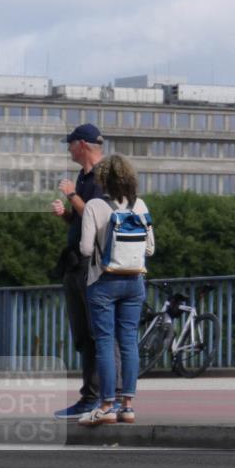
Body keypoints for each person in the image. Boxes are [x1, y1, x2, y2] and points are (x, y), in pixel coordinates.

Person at [77, 155, 155, 426]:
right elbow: (150, 248)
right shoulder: (140, 205)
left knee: (106, 343)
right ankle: (128, 406)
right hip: (135, 282)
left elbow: (86, 249)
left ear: (103, 179)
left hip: (103, 283)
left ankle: (107, 405)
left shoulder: (95, 206)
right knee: (129, 342)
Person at [50, 123, 118, 419]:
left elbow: (98, 214)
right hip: (76, 263)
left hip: (94, 267)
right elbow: (83, 219)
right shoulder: (84, 175)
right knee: (82, 334)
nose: (68, 149)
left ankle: (105, 397)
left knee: (98, 332)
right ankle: (90, 397)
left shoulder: (104, 175)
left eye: (70, 144)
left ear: (83, 145)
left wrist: (71, 196)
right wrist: (67, 215)